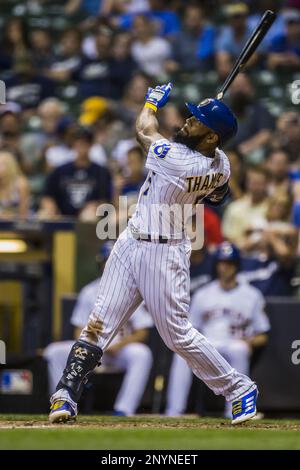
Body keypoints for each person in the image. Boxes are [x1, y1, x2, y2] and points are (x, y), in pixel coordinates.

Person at [49, 82, 258, 426]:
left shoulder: (178, 159)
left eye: (197, 121)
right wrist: (208, 117)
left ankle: (239, 388)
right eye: (192, 115)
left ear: (211, 138)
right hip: (131, 241)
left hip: (165, 253)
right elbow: (221, 193)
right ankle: (65, 394)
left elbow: (143, 130)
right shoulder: (221, 162)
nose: (188, 121)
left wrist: (150, 103)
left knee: (176, 334)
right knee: (98, 323)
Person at [44, 242, 153, 416]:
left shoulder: (134, 289)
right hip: (92, 346)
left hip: (120, 349)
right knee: (54, 351)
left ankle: (124, 409)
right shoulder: (89, 291)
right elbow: (78, 330)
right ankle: (61, 400)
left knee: (141, 354)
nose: (109, 265)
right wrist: (93, 349)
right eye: (106, 261)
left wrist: (118, 345)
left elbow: (143, 331)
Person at [165, 242, 270, 418]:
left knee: (239, 349)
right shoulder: (203, 294)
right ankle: (174, 411)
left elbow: (263, 334)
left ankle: (235, 410)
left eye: (229, 263)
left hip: (234, 343)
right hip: (208, 343)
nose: (225, 268)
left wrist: (250, 342)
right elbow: (189, 328)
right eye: (221, 263)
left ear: (236, 266)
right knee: (181, 354)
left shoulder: (252, 295)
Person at [39, 128, 111, 220]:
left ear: (91, 145)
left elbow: (105, 200)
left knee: (88, 216)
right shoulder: (60, 171)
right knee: (43, 215)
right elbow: (47, 196)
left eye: (85, 143)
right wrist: (50, 207)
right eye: (78, 142)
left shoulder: (101, 172)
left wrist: (96, 205)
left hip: (89, 215)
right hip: (61, 214)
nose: (81, 146)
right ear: (73, 144)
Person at [222, 166, 270, 247]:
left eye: (260, 184)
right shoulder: (234, 207)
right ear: (247, 183)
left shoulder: (271, 208)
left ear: (266, 185)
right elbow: (227, 236)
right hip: (237, 252)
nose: (256, 187)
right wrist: (243, 245)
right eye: (253, 183)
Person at [0, 150, 30, 219]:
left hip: (17, 224)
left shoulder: (20, 183)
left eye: (1, 165)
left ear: (9, 166)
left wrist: (8, 216)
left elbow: (24, 214)